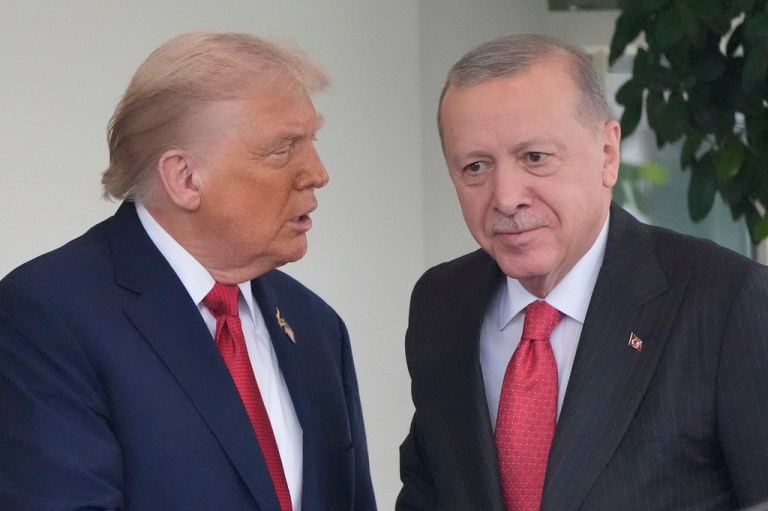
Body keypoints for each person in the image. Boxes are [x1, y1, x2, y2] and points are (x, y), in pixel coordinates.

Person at [0, 31, 376, 511]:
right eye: (283, 148)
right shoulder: (47, 317)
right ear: (185, 178)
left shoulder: (316, 326)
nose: (318, 172)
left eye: (311, 141)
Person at [397, 33, 768, 511]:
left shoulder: (727, 300)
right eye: (475, 166)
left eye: (535, 157)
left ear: (607, 155)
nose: (506, 197)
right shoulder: (441, 303)